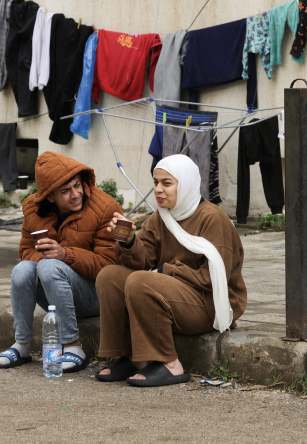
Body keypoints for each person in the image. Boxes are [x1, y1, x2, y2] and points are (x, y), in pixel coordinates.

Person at [94, 154, 246, 387]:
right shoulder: (161, 217)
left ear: (184, 184)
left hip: (210, 302)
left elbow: (213, 278)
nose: (158, 190)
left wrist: (166, 271)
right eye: (156, 182)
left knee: (140, 282)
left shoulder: (213, 218)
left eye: (167, 183)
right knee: (110, 277)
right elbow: (143, 261)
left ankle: (171, 365)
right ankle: (134, 358)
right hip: (178, 294)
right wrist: (127, 240)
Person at [0, 151, 123, 372]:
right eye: (65, 191)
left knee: (49, 266)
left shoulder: (105, 208)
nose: (75, 194)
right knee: (23, 269)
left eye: (77, 185)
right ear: (50, 197)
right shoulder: (34, 210)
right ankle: (22, 344)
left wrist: (65, 255)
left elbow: (109, 266)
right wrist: (44, 257)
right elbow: (25, 250)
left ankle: (73, 346)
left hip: (96, 295)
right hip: (55, 292)